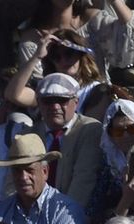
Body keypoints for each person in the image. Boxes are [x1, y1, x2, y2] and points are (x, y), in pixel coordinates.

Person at [17, 72, 103, 210]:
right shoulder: (27, 134)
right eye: (48, 101)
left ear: (76, 102)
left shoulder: (90, 129)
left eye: (62, 100)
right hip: (30, 212)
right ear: (38, 103)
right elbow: (13, 181)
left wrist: (60, 216)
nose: (55, 106)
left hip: (70, 212)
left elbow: (84, 179)